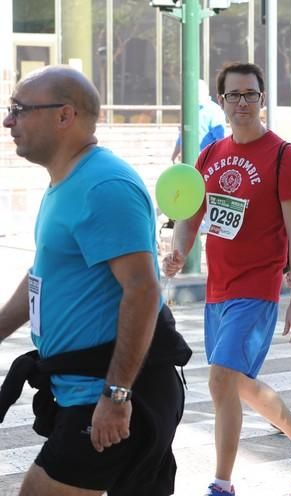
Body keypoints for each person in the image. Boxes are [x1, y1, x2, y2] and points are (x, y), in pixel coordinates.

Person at [0, 65, 190, 495]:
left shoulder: (104, 185)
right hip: (84, 389)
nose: (9, 121)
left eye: (19, 110)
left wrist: (117, 395)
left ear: (64, 115)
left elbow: (143, 290)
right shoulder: (66, 182)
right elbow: (43, 274)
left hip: (115, 392)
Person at [162, 62, 291, 496]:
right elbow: (191, 215)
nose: (242, 102)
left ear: (261, 99)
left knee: (221, 379)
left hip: (256, 288)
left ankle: (222, 484)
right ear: (221, 101)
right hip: (217, 289)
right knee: (234, 384)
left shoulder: (282, 155)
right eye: (233, 94)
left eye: (250, 94)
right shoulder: (209, 155)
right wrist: (179, 250)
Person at [170, 79, 227, 163]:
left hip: (207, 161)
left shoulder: (215, 111)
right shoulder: (188, 109)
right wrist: (175, 154)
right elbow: (182, 135)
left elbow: (220, 140)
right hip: (189, 161)